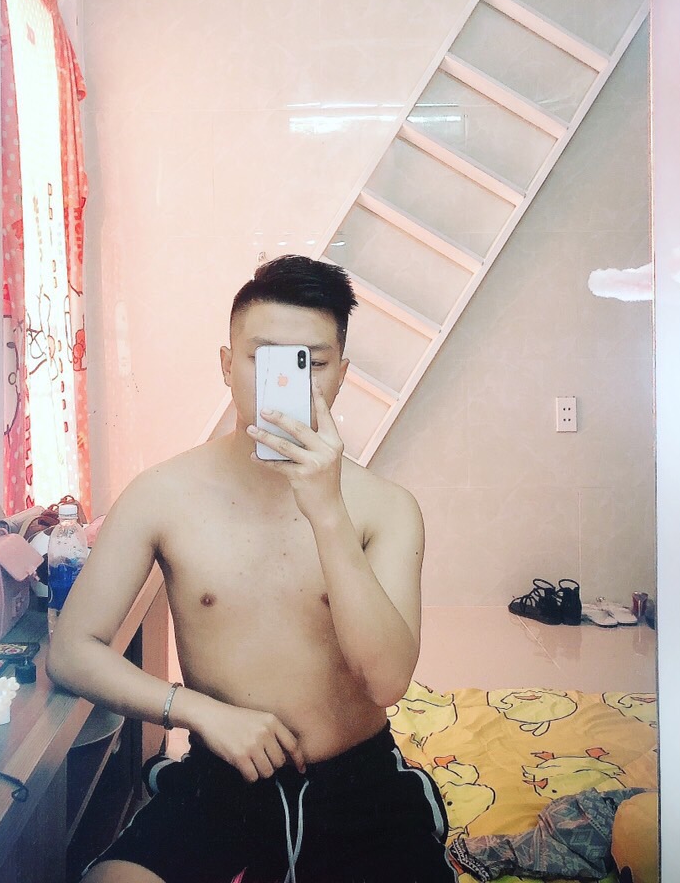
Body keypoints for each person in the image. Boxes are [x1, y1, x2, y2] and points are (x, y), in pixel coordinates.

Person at [47, 255, 455, 883]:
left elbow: (387, 683)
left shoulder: (387, 508)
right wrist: (197, 711)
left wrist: (327, 513)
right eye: (262, 359)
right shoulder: (161, 495)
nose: (282, 382)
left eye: (310, 363)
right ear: (226, 365)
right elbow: (72, 651)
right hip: (220, 778)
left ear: (342, 375)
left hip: (360, 786)